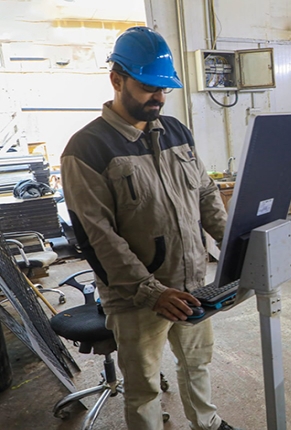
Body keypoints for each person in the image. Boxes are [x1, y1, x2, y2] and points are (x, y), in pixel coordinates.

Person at [61, 27, 240, 430]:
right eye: (147, 87)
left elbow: (205, 192)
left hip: (191, 284)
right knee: (143, 387)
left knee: (197, 363)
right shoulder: (86, 148)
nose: (158, 97)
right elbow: (98, 236)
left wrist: (234, 242)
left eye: (163, 88)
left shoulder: (176, 131)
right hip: (136, 297)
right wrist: (151, 291)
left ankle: (207, 422)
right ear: (117, 80)